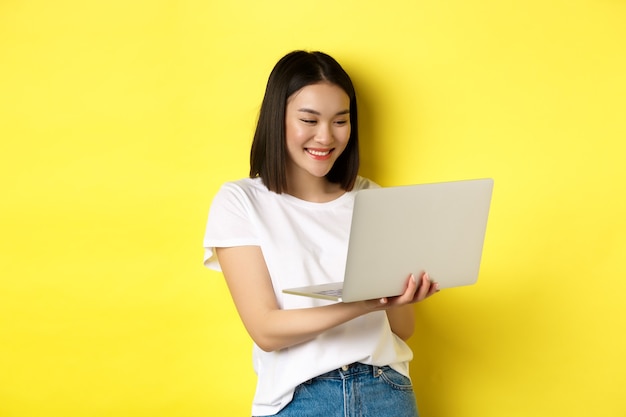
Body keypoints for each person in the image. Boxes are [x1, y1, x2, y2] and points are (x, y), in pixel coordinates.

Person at [203, 50, 439, 417]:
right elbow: (265, 329)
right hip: (300, 399)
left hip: (386, 391)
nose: (325, 136)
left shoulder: (373, 198)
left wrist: (404, 297)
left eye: (340, 120)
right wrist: (363, 303)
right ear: (276, 119)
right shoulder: (240, 202)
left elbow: (400, 330)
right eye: (309, 120)